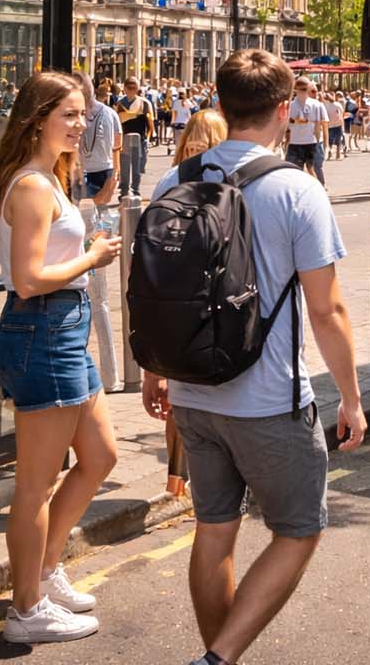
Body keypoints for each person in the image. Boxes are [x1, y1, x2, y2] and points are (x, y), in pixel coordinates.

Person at [141, 50, 367, 665]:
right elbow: (327, 311)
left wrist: (154, 370)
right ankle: (217, 660)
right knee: (299, 529)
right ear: (285, 107)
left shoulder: (174, 179)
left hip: (192, 392)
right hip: (269, 399)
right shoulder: (299, 189)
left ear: (218, 102)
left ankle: (220, 655)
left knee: (214, 529)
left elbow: (157, 290)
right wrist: (350, 396)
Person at [0, 72, 120, 644]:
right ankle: (26, 608)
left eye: (83, 114)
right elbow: (31, 280)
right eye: (69, 114)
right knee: (35, 484)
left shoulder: (46, 177)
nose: (81, 124)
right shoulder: (32, 185)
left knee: (102, 455)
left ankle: (45, 568)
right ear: (37, 118)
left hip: (62, 327)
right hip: (42, 327)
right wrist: (92, 256)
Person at [163, 107, 229, 499]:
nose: (197, 150)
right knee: (182, 396)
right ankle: (178, 481)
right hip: (185, 305)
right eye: (192, 142)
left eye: (206, 144)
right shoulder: (175, 179)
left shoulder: (222, 181)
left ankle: (193, 478)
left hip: (204, 305)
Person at [73, 72, 122, 393]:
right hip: (88, 183)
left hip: (99, 182)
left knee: (99, 295)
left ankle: (110, 375)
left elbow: (117, 151)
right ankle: (104, 373)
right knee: (95, 297)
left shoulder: (108, 114)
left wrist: (111, 183)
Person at [285, 79, 328, 186]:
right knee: (294, 173)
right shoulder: (290, 106)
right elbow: (285, 124)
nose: (304, 91)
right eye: (301, 89)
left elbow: (323, 124)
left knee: (314, 169)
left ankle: (320, 189)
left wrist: (325, 144)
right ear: (295, 89)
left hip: (312, 142)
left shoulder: (317, 104)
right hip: (295, 143)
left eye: (306, 89)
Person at [116, 78, 154, 198]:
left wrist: (148, 138)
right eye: (129, 87)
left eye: (134, 87)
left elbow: (150, 123)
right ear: (125, 89)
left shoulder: (144, 104)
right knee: (124, 166)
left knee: (138, 166)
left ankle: (136, 189)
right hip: (124, 139)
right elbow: (116, 123)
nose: (132, 90)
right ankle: (124, 190)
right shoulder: (119, 104)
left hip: (140, 139)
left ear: (138, 89)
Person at [323, 91, 345, 160]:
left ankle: (333, 155)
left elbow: (342, 113)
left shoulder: (327, 105)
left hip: (333, 125)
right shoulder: (333, 104)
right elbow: (342, 113)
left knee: (333, 140)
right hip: (334, 125)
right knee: (335, 140)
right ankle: (334, 155)